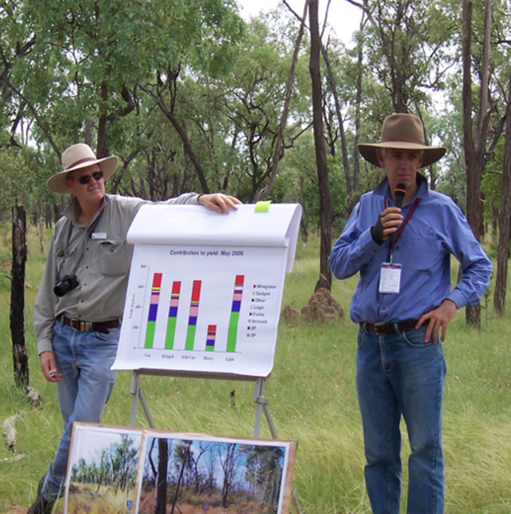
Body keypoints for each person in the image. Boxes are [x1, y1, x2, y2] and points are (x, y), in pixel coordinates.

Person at [28, 143, 240, 514]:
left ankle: (46, 496)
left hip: (103, 341)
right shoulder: (62, 228)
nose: (95, 181)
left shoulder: (126, 212)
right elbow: (47, 291)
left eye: (98, 174)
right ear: (71, 186)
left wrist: (201, 198)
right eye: (85, 177)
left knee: (81, 428)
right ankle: (75, 502)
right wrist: (45, 343)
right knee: (75, 433)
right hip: (63, 337)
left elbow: (165, 210)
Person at [328, 113, 492, 514]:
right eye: (396, 155)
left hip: (418, 343)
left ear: (421, 163)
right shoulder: (367, 207)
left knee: (424, 450)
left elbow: (480, 265)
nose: (403, 164)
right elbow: (338, 265)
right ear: (382, 158)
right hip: (371, 343)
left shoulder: (441, 209)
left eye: (411, 157)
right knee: (379, 454)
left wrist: (451, 304)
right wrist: (372, 236)